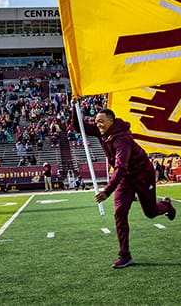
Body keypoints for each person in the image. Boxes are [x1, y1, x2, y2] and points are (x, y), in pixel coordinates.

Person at [74, 105, 175, 269]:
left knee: (150, 212)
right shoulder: (103, 132)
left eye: (101, 121)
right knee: (119, 212)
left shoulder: (122, 139)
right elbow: (79, 125)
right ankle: (125, 255)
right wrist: (74, 106)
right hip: (125, 179)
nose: (97, 124)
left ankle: (166, 205)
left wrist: (107, 191)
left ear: (111, 121)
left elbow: (121, 167)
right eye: (96, 121)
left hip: (142, 175)